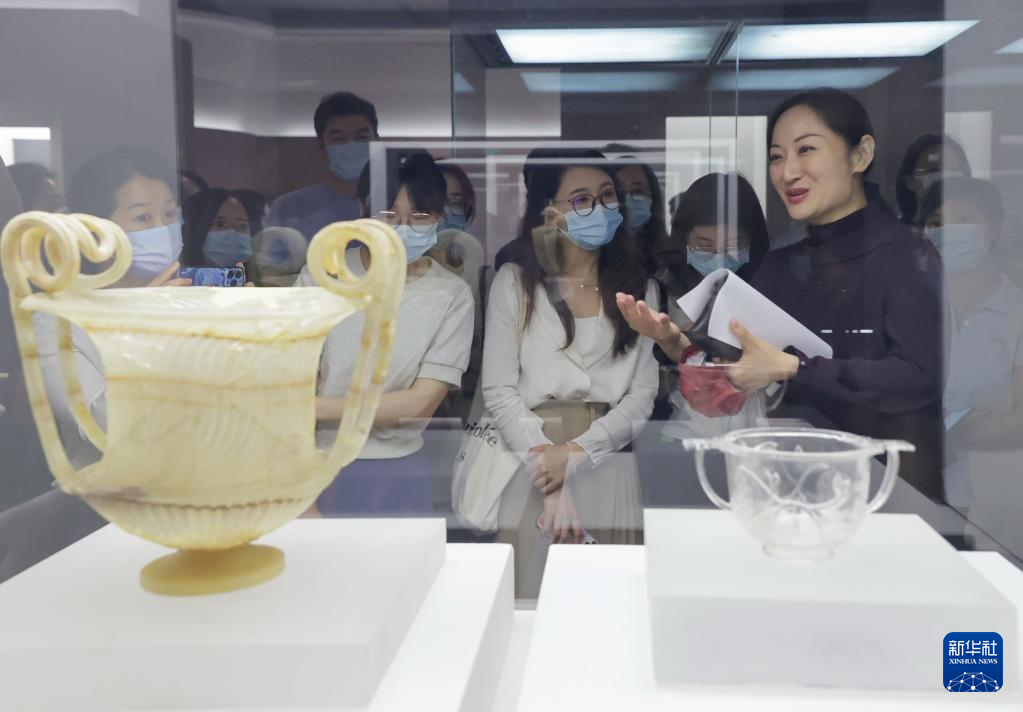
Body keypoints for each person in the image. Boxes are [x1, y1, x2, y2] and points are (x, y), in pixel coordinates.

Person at [618, 88, 944, 498]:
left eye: (806, 149)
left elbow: (919, 378)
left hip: (881, 486)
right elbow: (735, 374)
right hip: (784, 481)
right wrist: (672, 341)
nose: (788, 172)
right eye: (776, 156)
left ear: (861, 155)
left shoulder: (905, 253)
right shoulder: (780, 266)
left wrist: (793, 367)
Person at [483, 148, 658, 597]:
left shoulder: (642, 289)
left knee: (607, 604)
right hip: (530, 457)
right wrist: (551, 476)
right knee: (529, 600)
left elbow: (641, 398)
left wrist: (576, 454)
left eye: (607, 196)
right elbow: (499, 391)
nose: (598, 208)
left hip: (607, 459)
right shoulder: (514, 283)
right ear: (549, 212)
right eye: (581, 200)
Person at [298, 151, 473, 515]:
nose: (402, 228)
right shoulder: (322, 276)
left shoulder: (451, 294)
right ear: (362, 211)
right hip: (318, 458)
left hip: (400, 466)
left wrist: (316, 408)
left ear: (439, 217)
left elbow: (420, 405)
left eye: (419, 216)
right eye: (389, 215)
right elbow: (293, 377)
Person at [33, 148, 192, 468]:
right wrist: (144, 330)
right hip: (116, 487)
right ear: (95, 232)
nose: (163, 228)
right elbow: (107, 425)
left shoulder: (196, 298)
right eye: (143, 217)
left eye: (170, 213)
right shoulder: (55, 320)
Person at [919, 177, 1023, 511]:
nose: (948, 231)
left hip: (995, 505)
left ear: (995, 228)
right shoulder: (911, 306)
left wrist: (941, 433)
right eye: (936, 222)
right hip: (915, 488)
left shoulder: (1017, 312)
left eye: (962, 219)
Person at [267, 91, 377, 244]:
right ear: (321, 145)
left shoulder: (396, 206)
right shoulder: (289, 208)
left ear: (377, 141)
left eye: (362, 137)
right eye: (339, 138)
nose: (351, 145)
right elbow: (272, 259)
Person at [605, 144, 670, 277]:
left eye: (637, 191)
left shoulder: (667, 257)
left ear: (653, 198)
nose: (628, 198)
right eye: (619, 191)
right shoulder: (596, 255)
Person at [181, 188, 263, 282]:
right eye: (219, 224)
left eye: (242, 226)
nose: (232, 232)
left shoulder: (262, 283)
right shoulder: (181, 281)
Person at [896, 133, 972, 226]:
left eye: (952, 169)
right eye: (934, 170)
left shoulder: (975, 226)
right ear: (909, 182)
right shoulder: (895, 232)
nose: (945, 177)